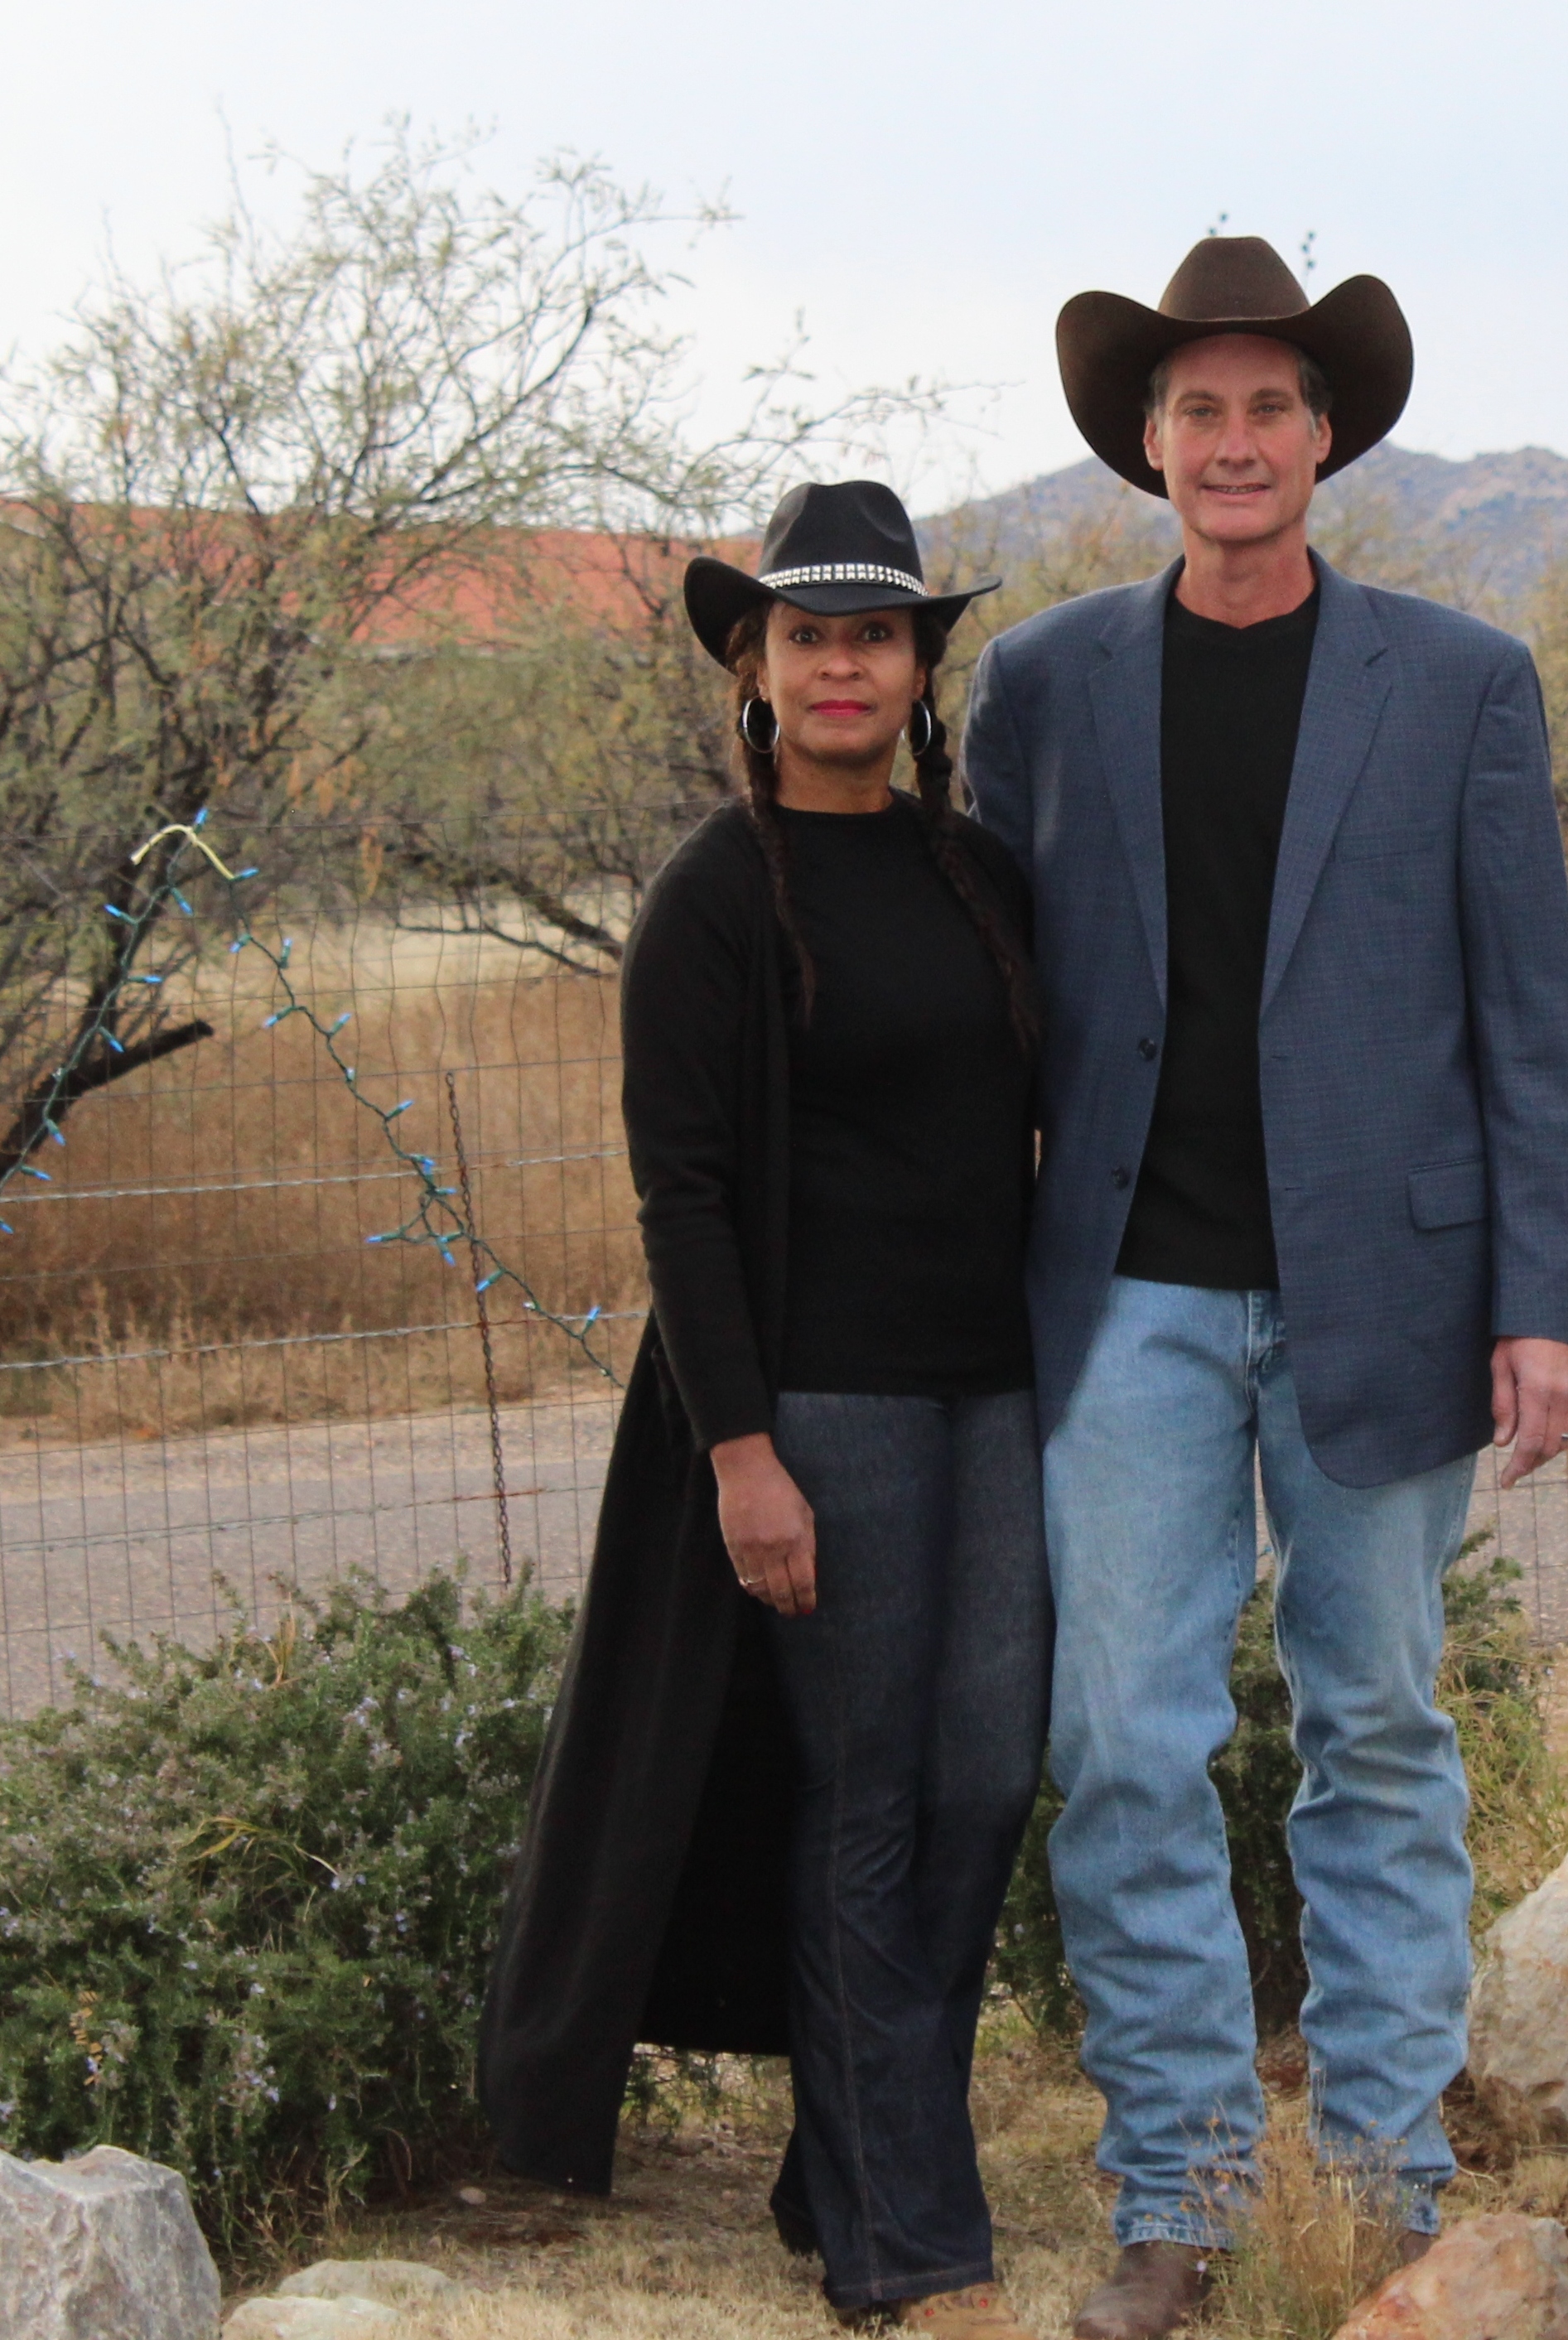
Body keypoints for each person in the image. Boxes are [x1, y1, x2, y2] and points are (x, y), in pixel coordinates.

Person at [965, 238, 1568, 2340]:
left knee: (1381, 1734)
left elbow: (1531, 1021)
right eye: (1196, 410)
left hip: (1387, 1297)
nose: (1233, 444)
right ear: (1147, 445)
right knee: (1126, 1743)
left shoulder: (1460, 682)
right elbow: (983, 1008)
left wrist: (1547, 1299)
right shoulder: (1047, 686)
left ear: (1324, 436)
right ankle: (1176, 2193)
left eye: (1268, 407)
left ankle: (1394, 2182)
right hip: (1127, 1296)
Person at [482, 481, 1049, 2339]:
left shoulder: (975, 875)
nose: (841, 664)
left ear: (916, 665)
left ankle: (844, 2160)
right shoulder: (716, 901)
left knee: (976, 1793)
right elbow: (685, 1197)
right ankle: (904, 2238)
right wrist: (745, 1455)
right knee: (866, 1800)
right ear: (756, 664)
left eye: (873, 633)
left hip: (997, 1393)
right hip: (825, 1408)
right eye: (807, 634)